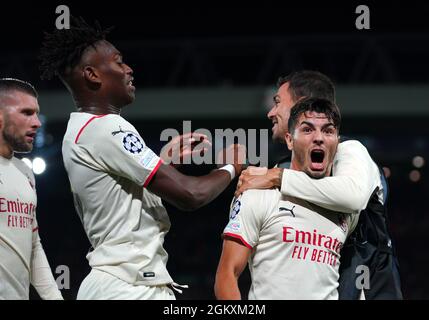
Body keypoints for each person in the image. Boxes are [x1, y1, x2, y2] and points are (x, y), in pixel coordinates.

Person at [39, 17, 245, 300]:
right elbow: (190, 194)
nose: (128, 69)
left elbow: (124, 202)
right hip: (128, 287)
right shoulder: (107, 127)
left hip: (118, 283)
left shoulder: (80, 130)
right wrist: (232, 166)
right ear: (93, 75)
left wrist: (164, 163)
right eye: (118, 61)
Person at [235, 71, 402, 299]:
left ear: (303, 106)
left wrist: (276, 176)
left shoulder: (350, 151)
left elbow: (352, 196)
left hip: (369, 286)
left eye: (277, 103)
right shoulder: (288, 167)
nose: (271, 112)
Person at [215, 98, 360, 299]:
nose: (319, 138)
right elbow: (227, 275)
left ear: (336, 141)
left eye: (328, 131)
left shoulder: (346, 207)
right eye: (308, 130)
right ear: (290, 140)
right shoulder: (258, 194)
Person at [0, 78, 63, 300]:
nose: (37, 122)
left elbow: (34, 246)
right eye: (27, 113)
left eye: (36, 113)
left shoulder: (25, 172)